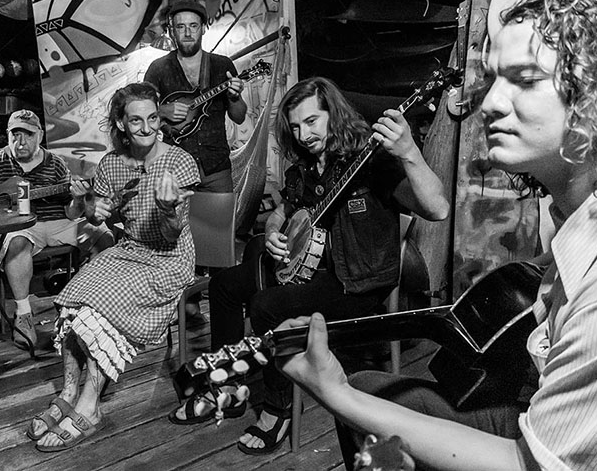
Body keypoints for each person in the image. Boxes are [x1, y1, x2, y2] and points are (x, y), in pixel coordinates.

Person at [277, 0, 597, 471]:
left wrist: (337, 394)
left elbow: (527, 465)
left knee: (357, 396)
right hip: (527, 400)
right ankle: (382, 468)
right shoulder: (569, 223)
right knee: (373, 418)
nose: (489, 102)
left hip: (528, 449)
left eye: (526, 78)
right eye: (494, 79)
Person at [169, 76, 450, 455]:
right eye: (296, 126)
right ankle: (228, 388)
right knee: (224, 286)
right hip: (306, 268)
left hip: (354, 283)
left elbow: (437, 209)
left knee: (266, 306)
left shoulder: (371, 163)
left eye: (312, 121)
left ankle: (276, 409)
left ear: (333, 115)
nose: (303, 134)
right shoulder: (303, 168)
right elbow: (285, 208)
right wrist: (272, 228)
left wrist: (410, 152)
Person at [26, 82, 200, 451]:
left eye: (153, 118)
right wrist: (91, 207)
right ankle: (68, 394)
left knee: (102, 306)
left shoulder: (179, 162)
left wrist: (168, 208)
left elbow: (171, 235)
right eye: (135, 120)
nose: (147, 128)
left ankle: (89, 408)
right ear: (121, 124)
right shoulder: (111, 165)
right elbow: (95, 211)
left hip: (168, 258)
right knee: (75, 297)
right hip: (131, 251)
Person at [0, 109, 112, 349]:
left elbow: (70, 213)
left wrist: (80, 200)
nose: (21, 142)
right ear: (8, 136)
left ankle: (83, 304)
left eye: (27, 135)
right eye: (15, 135)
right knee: (17, 241)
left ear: (39, 135)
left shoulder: (56, 164)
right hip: (22, 228)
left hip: (57, 223)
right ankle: (24, 314)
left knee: (103, 236)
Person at [143, 0, 247, 193]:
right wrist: (163, 110)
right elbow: (141, 111)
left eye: (193, 26)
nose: (188, 32)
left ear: (204, 28)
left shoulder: (222, 65)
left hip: (216, 167)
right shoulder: (158, 69)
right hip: (174, 168)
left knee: (219, 224)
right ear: (172, 31)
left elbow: (239, 117)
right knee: (176, 224)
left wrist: (235, 97)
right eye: (181, 27)